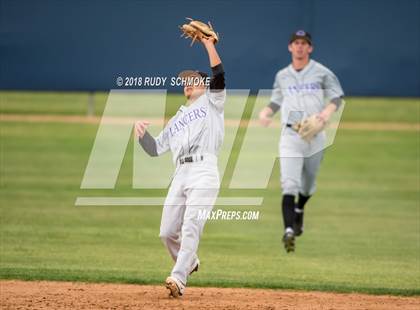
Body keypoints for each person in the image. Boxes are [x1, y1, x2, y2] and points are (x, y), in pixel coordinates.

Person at [134, 36, 225, 297]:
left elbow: (219, 75)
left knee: (190, 227)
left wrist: (209, 45)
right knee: (166, 232)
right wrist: (141, 136)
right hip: (180, 174)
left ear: (204, 85)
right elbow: (155, 149)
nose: (187, 83)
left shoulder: (213, 102)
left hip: (204, 171)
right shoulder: (177, 118)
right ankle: (190, 262)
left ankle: (178, 277)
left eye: (193, 79)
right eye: (185, 81)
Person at [259, 30, 344, 253]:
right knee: (289, 184)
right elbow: (276, 100)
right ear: (290, 47)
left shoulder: (321, 72)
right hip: (290, 135)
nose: (299, 46)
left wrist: (326, 113)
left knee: (307, 186)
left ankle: (299, 209)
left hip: (315, 135)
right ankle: (288, 230)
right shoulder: (282, 75)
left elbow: (336, 96)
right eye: (295, 43)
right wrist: (266, 112)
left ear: (310, 48)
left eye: (303, 43)